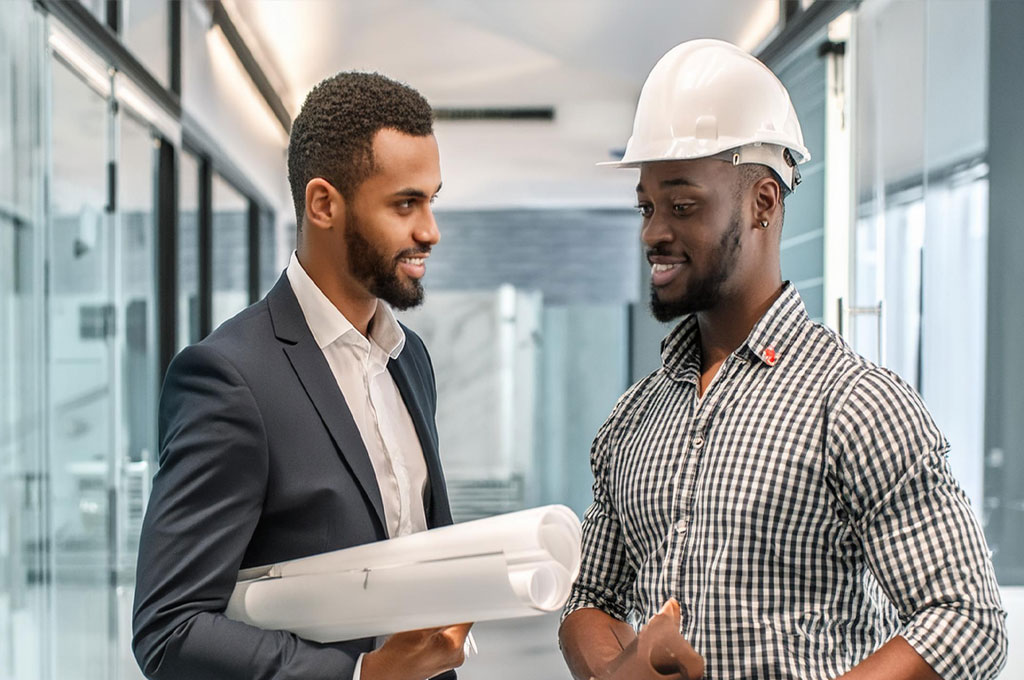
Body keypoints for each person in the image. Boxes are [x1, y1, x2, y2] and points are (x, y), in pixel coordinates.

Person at [559, 39, 1007, 680]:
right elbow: (590, 602)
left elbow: (966, 620)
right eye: (647, 207)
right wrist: (616, 673)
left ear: (763, 202)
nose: (653, 232)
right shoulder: (632, 419)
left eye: (682, 206)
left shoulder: (855, 405)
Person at [133, 72, 470, 680]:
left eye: (431, 200)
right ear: (323, 204)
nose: (430, 231)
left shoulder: (409, 359)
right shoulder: (230, 377)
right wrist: (360, 677)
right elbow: (169, 629)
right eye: (404, 203)